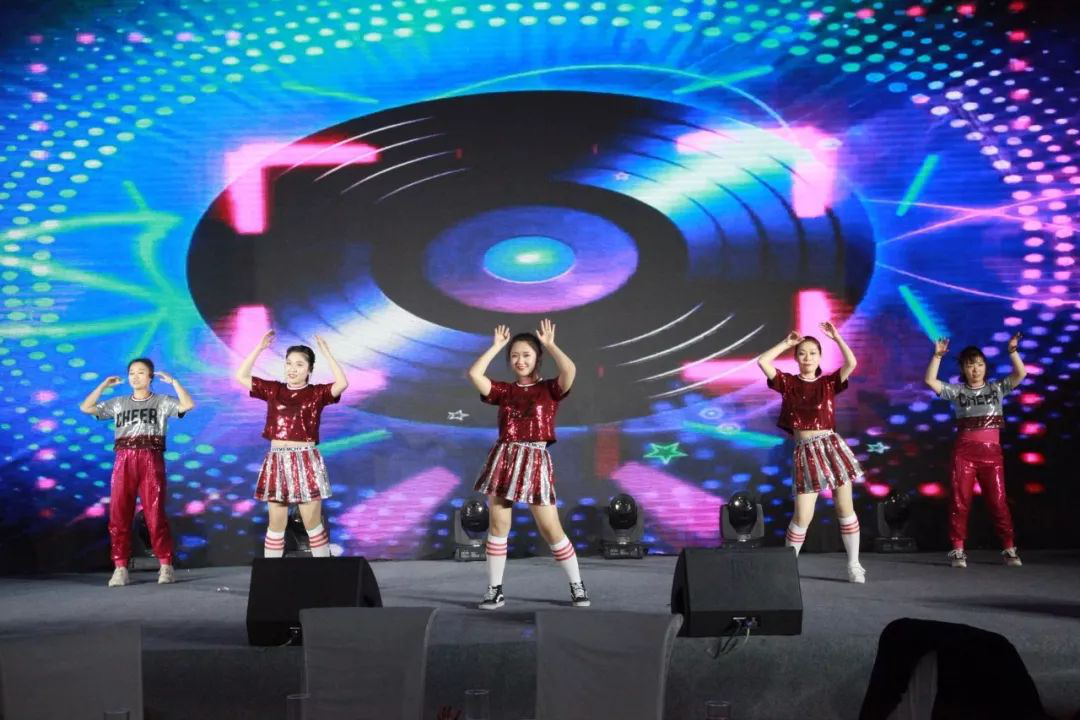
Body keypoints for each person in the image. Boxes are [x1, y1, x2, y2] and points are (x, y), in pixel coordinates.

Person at [468, 319, 589, 609]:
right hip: (505, 458)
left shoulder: (550, 389)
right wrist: (496, 346)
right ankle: (494, 590)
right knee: (498, 524)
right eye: (514, 356)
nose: (520, 361)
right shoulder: (504, 391)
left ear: (537, 358)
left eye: (526, 355)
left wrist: (551, 344)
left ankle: (577, 585)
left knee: (551, 528)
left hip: (535, 459)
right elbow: (474, 374)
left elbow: (570, 370)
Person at [757, 322, 866, 583]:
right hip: (805, 452)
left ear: (820, 356)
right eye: (802, 353)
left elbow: (851, 363)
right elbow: (763, 361)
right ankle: (787, 569)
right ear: (796, 357)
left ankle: (854, 565)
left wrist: (837, 337)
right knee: (802, 516)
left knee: (845, 507)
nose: (807, 357)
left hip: (831, 447)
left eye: (813, 353)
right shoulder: (788, 383)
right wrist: (786, 343)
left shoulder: (828, 382)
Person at [79, 358, 194, 587]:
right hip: (124, 459)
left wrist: (174, 382)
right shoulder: (119, 403)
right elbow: (86, 408)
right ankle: (120, 567)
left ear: (150, 377)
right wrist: (103, 386)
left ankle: (166, 565)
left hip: (151, 458)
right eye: (132, 372)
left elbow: (187, 405)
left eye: (141, 372)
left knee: (155, 514)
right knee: (119, 514)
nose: (135, 376)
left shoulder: (161, 401)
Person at [235, 331, 348, 558]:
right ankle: (271, 575)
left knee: (312, 524)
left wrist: (326, 352)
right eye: (288, 363)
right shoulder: (273, 390)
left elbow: (342, 383)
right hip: (277, 459)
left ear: (309, 369)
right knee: (276, 525)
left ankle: (325, 574)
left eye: (299, 364)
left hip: (305, 460)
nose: (292, 368)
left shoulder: (316, 393)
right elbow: (241, 376)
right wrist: (259, 348)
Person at [924, 332, 1026, 568]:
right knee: (960, 501)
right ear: (963, 368)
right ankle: (958, 549)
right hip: (965, 454)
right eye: (970, 365)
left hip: (992, 455)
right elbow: (930, 381)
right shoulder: (958, 391)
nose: (976, 369)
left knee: (998, 502)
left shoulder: (997, 388)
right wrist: (937, 356)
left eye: (979, 364)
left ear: (985, 367)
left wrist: (1012, 351)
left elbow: (1021, 374)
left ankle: (1009, 547)